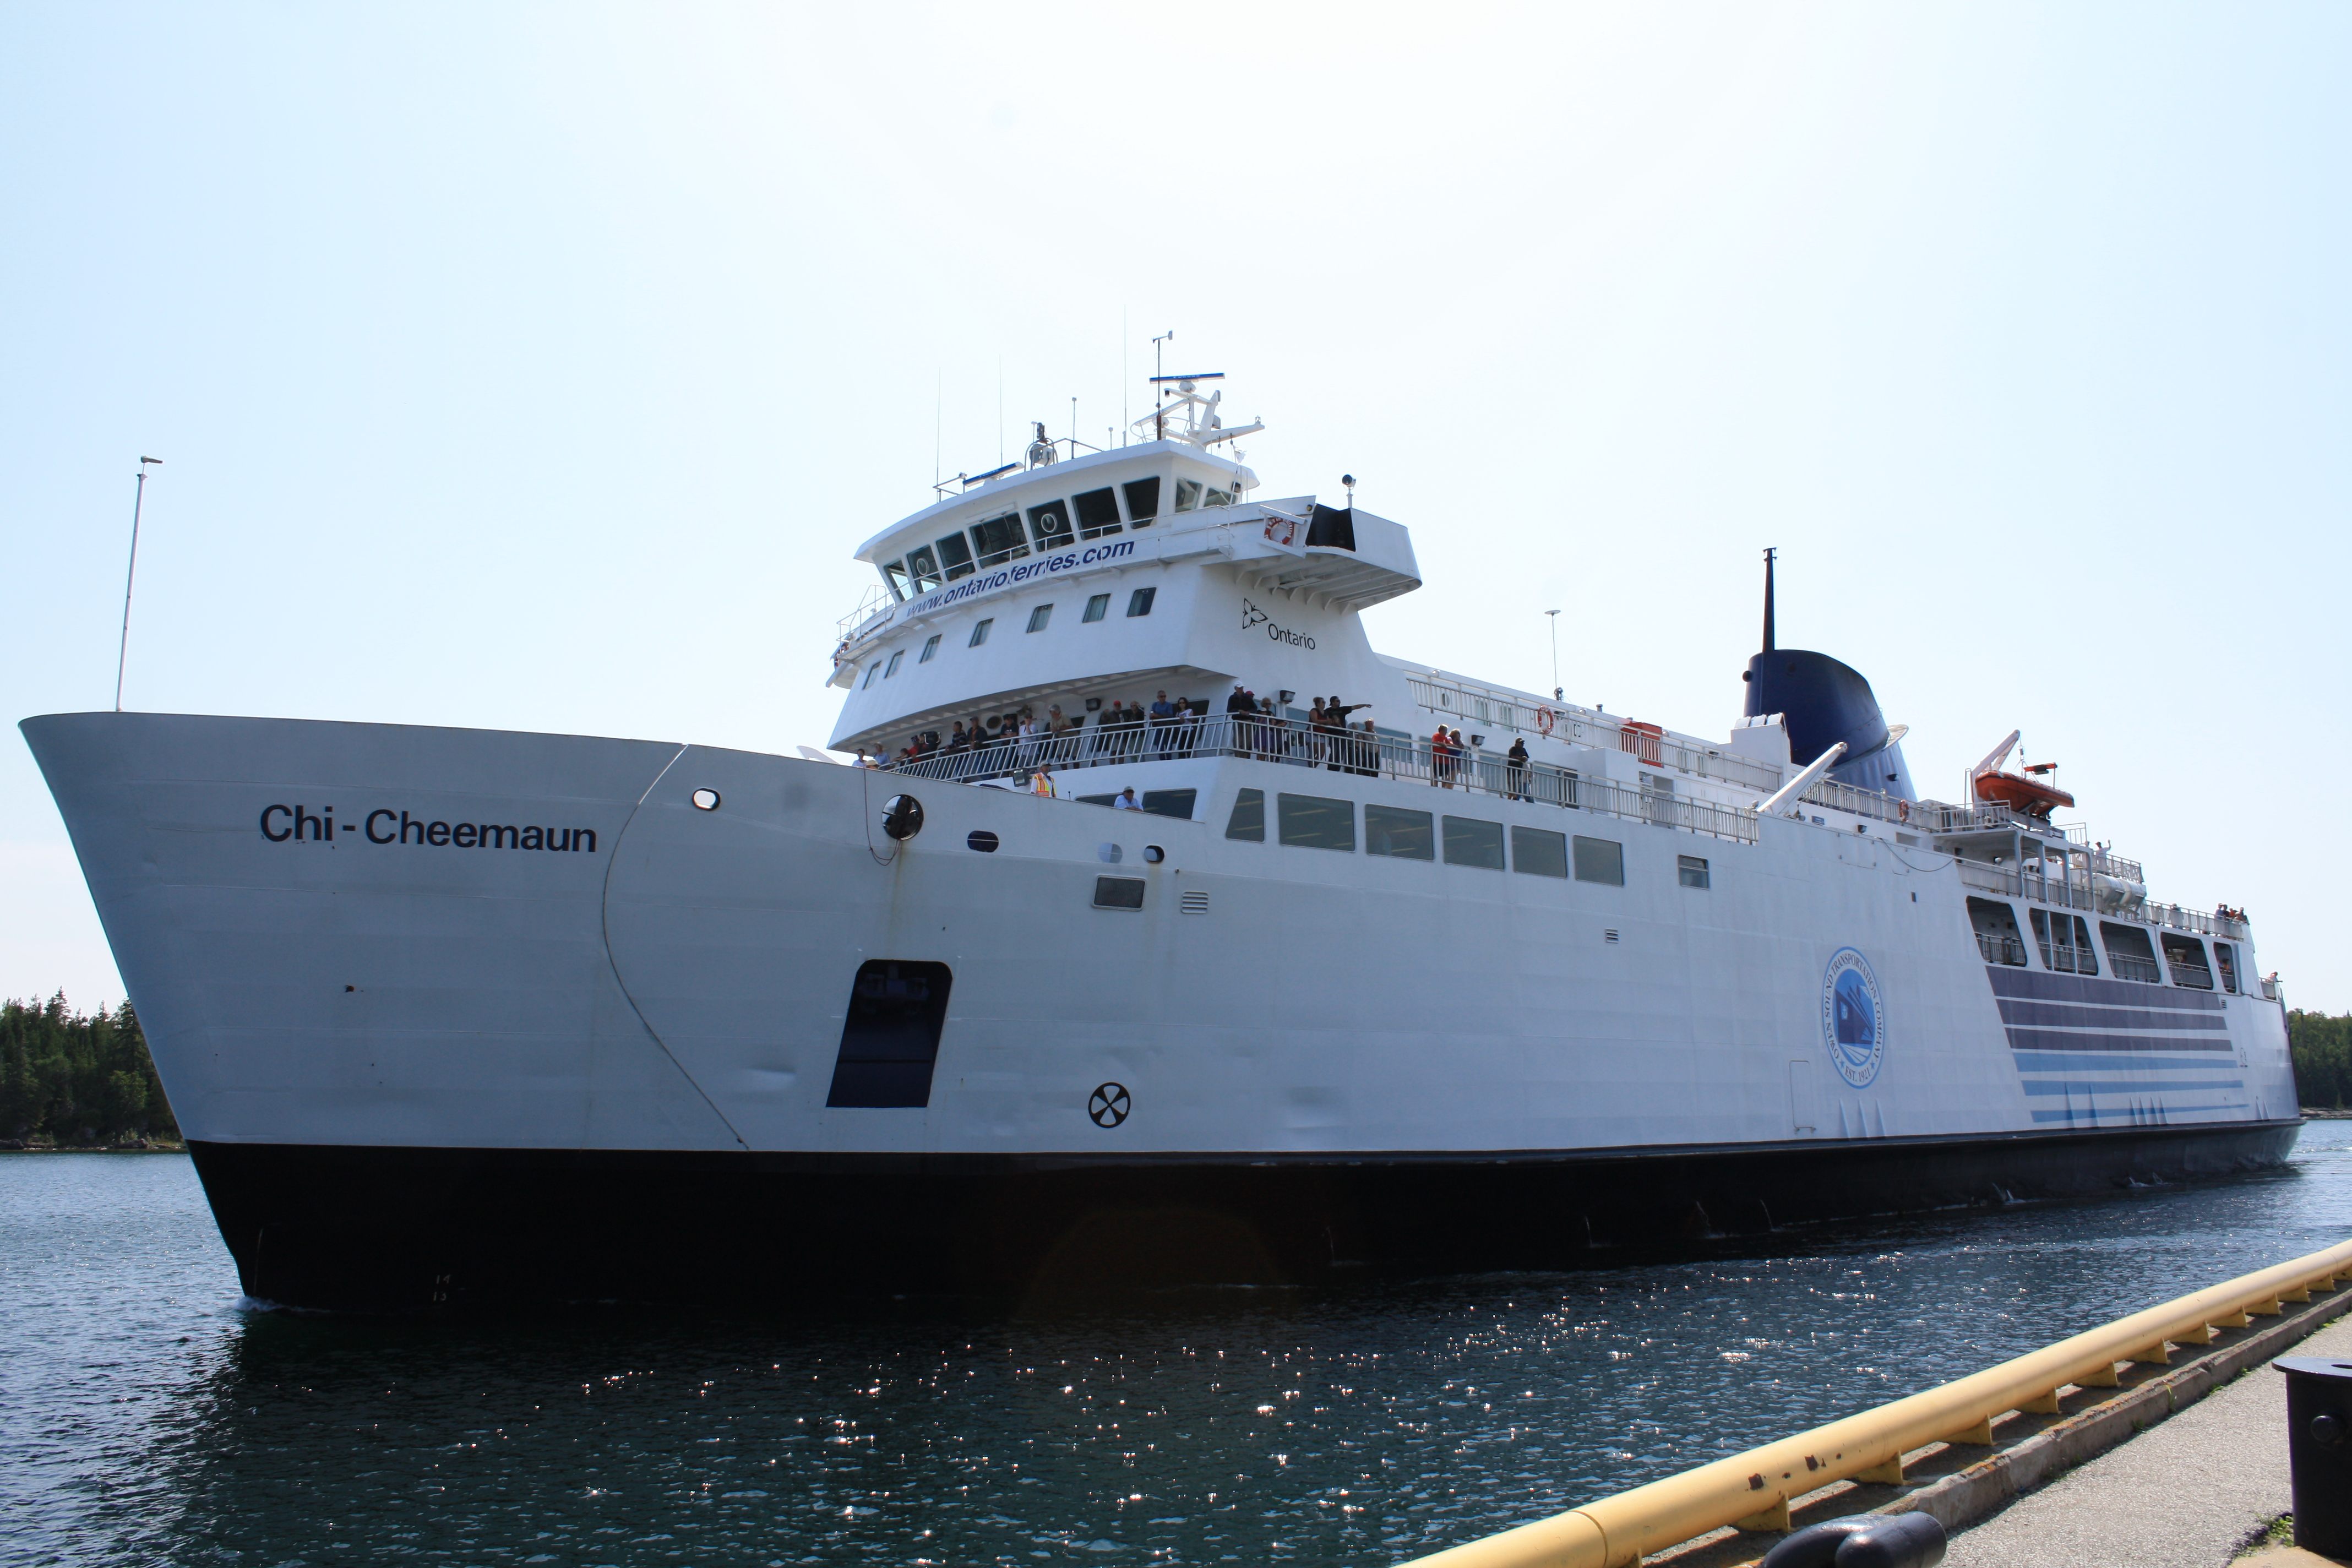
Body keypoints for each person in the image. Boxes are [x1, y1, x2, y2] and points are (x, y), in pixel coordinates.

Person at [1148, 690, 1179, 756]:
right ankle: (1162, 761)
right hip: (1158, 727)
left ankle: (1169, 760)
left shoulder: (1169, 705)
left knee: (1169, 746)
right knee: (1160, 746)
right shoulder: (1155, 705)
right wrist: (1157, 715)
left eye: (1165, 696)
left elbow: (1169, 715)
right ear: (1158, 697)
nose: (1163, 698)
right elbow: (1151, 714)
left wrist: (1157, 715)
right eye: (1161, 696)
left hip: (1167, 728)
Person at [1506, 736, 1530, 801]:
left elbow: (1527, 758)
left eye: (1523, 743)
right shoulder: (1513, 749)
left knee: (1516, 788)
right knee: (1512, 787)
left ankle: (1515, 799)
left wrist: (1525, 758)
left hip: (1518, 772)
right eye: (1520, 743)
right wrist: (1521, 758)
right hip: (1511, 771)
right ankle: (1510, 800)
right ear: (1516, 743)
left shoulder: (1523, 750)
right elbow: (1512, 757)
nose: (1522, 744)